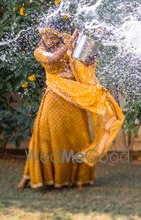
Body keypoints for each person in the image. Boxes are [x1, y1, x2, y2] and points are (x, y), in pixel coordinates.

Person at [16, 24, 124, 190]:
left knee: (79, 137)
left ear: (58, 35)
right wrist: (71, 41)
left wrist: (88, 62)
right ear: (42, 37)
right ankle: (37, 177)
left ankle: (78, 178)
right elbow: (52, 59)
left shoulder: (67, 42)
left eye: (53, 37)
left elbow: (78, 62)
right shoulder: (39, 52)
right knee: (48, 137)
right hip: (55, 97)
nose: (50, 40)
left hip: (75, 97)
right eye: (46, 37)